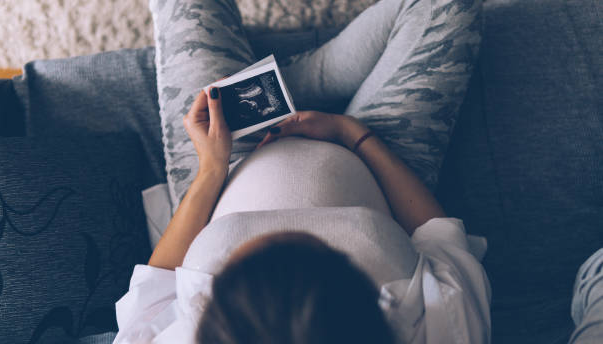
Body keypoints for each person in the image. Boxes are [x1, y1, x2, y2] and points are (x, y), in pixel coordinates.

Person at [114, 0, 489, 343]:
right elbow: (441, 238)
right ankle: (288, 87)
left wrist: (210, 170)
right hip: (377, 155)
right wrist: (354, 135)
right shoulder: (444, 332)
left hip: (221, 159)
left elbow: (156, 285)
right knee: (443, 6)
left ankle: (272, 90)